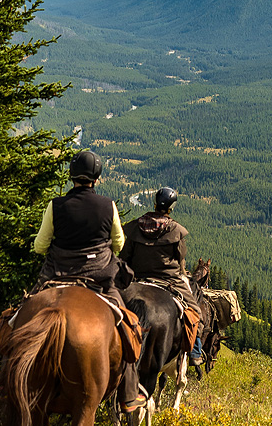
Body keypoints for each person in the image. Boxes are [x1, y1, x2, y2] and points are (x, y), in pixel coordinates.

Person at [33, 150, 146, 412]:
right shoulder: (108, 205)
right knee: (127, 325)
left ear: (72, 176)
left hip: (57, 274)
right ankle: (129, 393)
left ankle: (4, 378)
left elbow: (40, 246)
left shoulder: (55, 205)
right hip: (98, 277)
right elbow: (119, 244)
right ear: (96, 178)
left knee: (18, 316)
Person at [121, 187, 204, 363]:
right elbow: (180, 258)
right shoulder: (175, 230)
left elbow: (125, 256)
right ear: (171, 207)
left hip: (137, 278)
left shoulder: (136, 226)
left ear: (155, 203)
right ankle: (196, 351)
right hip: (169, 280)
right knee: (195, 310)